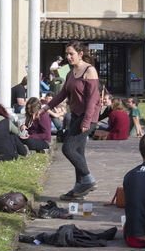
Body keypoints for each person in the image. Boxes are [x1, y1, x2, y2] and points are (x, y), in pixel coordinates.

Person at [41, 40, 101, 201]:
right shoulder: (70, 72)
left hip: (87, 116)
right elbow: (62, 94)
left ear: (80, 54)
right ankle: (78, 188)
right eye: (67, 54)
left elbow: (92, 99)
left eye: (71, 53)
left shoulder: (89, 71)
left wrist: (87, 122)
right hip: (75, 114)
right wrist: (45, 108)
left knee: (68, 149)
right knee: (78, 152)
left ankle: (88, 180)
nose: (68, 57)